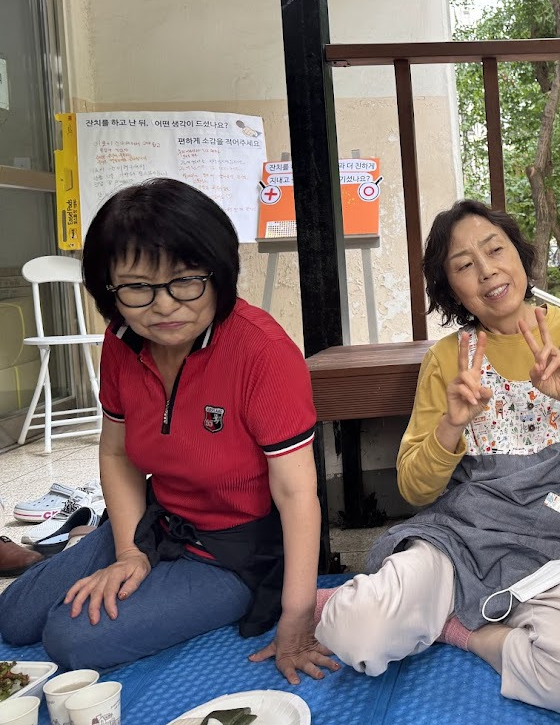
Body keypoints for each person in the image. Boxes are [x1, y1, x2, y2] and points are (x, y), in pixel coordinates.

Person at [0, 179, 337, 684]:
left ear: (218, 274)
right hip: (156, 522)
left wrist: (298, 617)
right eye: (138, 287)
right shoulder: (122, 342)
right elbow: (117, 455)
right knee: (15, 615)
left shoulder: (262, 353)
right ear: (109, 289)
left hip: (233, 554)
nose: (163, 305)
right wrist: (129, 552)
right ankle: (114, 555)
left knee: (68, 637)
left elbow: (296, 494)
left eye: (184, 280)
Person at [315, 200, 560, 715]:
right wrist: (451, 424)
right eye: (464, 265)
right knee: (354, 631)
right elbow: (415, 488)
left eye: (495, 250)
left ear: (520, 255)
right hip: (463, 541)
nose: (487, 270)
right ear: (451, 288)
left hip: (559, 549)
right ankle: (435, 608)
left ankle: (461, 630)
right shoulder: (449, 358)